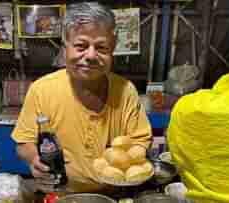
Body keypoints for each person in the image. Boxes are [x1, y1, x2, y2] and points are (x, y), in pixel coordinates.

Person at [12, 1, 152, 196]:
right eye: (81, 46)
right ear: (65, 46)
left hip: (114, 194)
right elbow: (23, 143)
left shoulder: (125, 91)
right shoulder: (42, 90)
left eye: (102, 47)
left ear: (113, 47)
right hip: (61, 193)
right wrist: (35, 159)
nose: (91, 56)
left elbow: (140, 142)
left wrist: (129, 163)